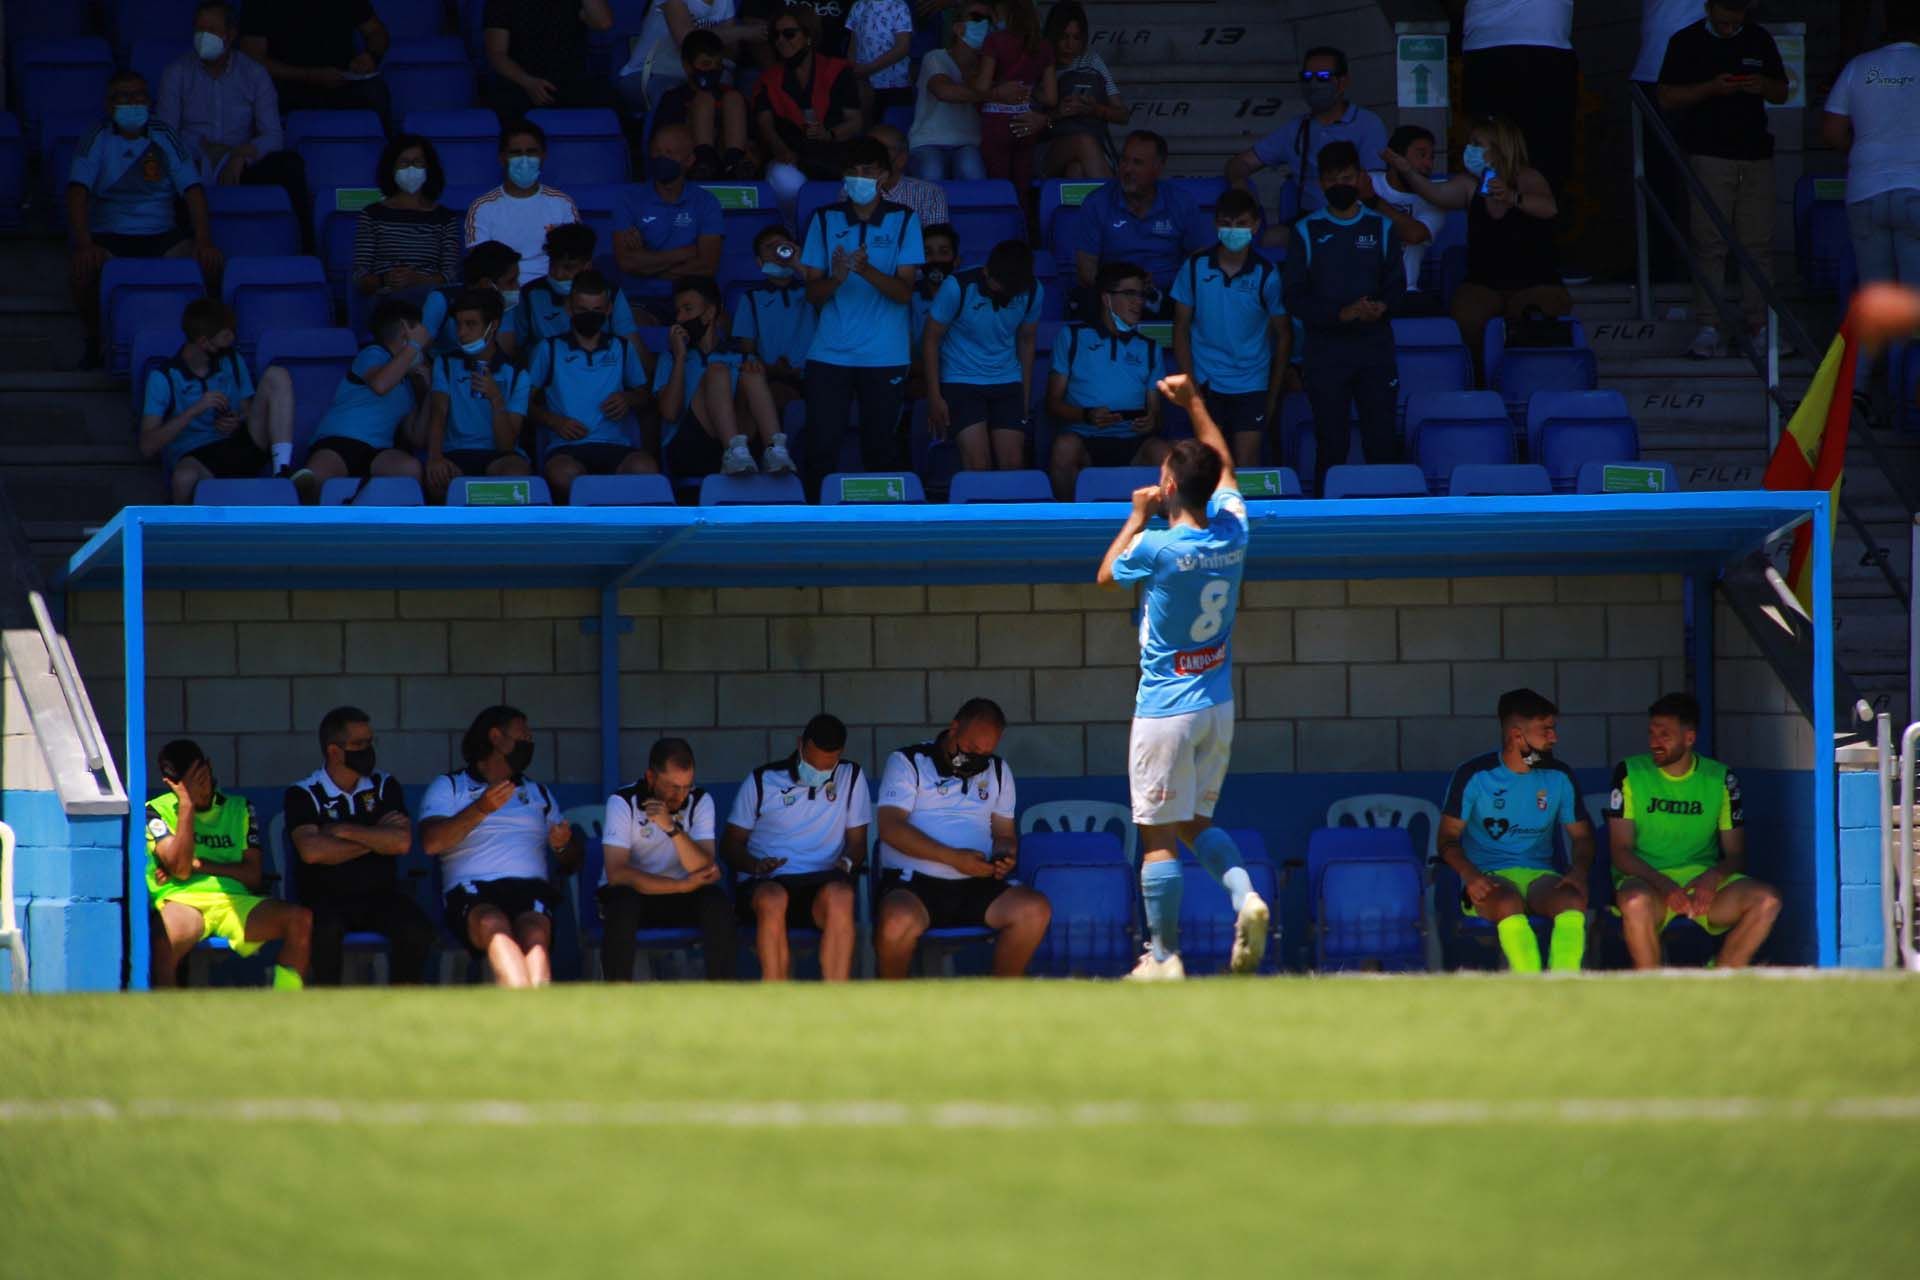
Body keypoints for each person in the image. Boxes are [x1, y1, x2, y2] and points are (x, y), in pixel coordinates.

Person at [1095, 376, 1268, 982]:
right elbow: (1224, 470)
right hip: (1217, 704)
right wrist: (1195, 401)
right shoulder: (1234, 530)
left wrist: (1136, 515)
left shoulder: (1159, 545)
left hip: (1166, 708)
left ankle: (1162, 956)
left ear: (1168, 486)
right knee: (1196, 823)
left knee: (1157, 835)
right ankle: (1245, 896)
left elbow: (1107, 572)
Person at [1380, 115, 1569, 381]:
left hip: (1535, 282)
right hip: (1484, 284)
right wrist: (1407, 171)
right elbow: (1436, 194)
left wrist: (1513, 197)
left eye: (1476, 143)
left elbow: (1549, 208)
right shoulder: (1470, 183)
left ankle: (1523, 384)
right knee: (1466, 317)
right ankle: (1478, 382)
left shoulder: (1527, 177)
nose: (1470, 149)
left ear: (1498, 147)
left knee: (1532, 319)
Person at [874, 699, 1052, 978]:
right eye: (970, 749)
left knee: (1034, 910)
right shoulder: (908, 762)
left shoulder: (997, 770)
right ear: (954, 728)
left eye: (985, 752)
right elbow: (890, 828)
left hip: (976, 882)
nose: (975, 758)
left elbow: (1004, 834)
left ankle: (1000, 1004)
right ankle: (892, 1010)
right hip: (914, 884)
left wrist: (1005, 856)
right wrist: (953, 858)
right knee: (896, 922)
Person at [1607, 692, 1782, 970]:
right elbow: (1620, 851)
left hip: (1702, 887)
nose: (1655, 742)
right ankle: (1651, 989)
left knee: (1767, 901)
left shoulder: (1721, 778)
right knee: (1635, 903)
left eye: (1664, 735)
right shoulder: (1630, 772)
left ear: (1689, 738)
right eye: (1651, 733)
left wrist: (1711, 879)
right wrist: (1664, 885)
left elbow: (1736, 854)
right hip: (1648, 882)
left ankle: (1720, 979)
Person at [1658, 0, 1788, 359]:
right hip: (1708, 153)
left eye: (1737, 22)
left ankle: (1760, 326)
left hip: (1756, 154)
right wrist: (1711, 88)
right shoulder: (1686, 42)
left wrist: (1761, 84)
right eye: (1724, 22)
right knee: (1709, 243)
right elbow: (1666, 97)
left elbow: (1783, 91)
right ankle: (1708, 326)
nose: (1730, 29)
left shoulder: (1760, 39)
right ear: (1709, 7)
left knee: (1757, 244)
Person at [1436, 689, 1595, 973]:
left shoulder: (1558, 775)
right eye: (1546, 730)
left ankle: (1565, 984)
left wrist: (1579, 870)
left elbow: (1582, 836)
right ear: (1517, 736)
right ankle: (1529, 983)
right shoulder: (1474, 775)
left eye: (1553, 729)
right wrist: (1470, 875)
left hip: (1540, 877)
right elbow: (1447, 838)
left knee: (1572, 900)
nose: (1554, 738)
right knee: (1508, 902)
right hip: (1488, 876)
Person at [421, 706, 581, 988]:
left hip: (529, 888)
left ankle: (537, 1008)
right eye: (523, 735)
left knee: (535, 933)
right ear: (496, 737)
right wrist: (481, 809)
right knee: (493, 925)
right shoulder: (449, 787)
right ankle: (521, 1000)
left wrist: (562, 845)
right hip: (471, 890)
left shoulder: (538, 793)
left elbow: (571, 862)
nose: (529, 742)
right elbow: (432, 842)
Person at [798, 136, 925, 489]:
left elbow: (903, 293)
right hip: (830, 352)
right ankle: (814, 527)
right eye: (852, 171)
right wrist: (837, 279)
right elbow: (812, 293)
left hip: (885, 354)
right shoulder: (823, 219)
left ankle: (884, 531)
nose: (859, 177)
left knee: (881, 448)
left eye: (867, 170)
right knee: (821, 447)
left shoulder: (904, 220)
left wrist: (866, 271)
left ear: (884, 175)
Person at [68, 73, 221, 358]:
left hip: (162, 236)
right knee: (83, 269)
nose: (131, 102)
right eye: (123, 97)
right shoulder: (97, 136)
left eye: (138, 95)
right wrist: (84, 244)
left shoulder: (164, 134)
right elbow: (77, 192)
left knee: (209, 262)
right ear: (109, 104)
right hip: (110, 237)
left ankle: (204, 347)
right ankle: (95, 343)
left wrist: (204, 240)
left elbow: (193, 190)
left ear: (149, 101)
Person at [1282, 141, 1406, 493]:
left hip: (1375, 350)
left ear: (1360, 178)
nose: (1340, 185)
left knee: (1381, 440)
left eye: (1348, 177)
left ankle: (1386, 517)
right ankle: (1326, 520)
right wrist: (1341, 313)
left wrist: (1382, 307)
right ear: (1321, 183)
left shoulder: (1382, 227)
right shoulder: (1305, 230)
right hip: (1326, 354)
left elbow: (1397, 287)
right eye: (1333, 179)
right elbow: (1294, 297)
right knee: (1331, 443)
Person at [284, 705, 436, 986]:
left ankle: (402, 1008)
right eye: (358, 744)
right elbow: (312, 851)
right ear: (333, 751)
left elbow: (401, 843)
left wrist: (344, 831)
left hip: (380, 894)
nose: (367, 749)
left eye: (370, 742)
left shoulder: (384, 784)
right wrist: (377, 838)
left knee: (416, 929)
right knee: (324, 931)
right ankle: (331, 1012)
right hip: (325, 898)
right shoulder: (303, 793)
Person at [146, 738, 311, 990]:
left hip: (235, 901)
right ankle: (165, 1017)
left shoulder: (239, 807)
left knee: (299, 919)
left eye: (202, 777)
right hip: (184, 900)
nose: (202, 788)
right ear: (173, 786)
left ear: (209, 767)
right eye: (191, 784)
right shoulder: (155, 811)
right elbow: (180, 870)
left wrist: (201, 865)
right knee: (163, 943)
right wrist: (187, 805)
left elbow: (253, 875)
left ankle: (286, 1002)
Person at [723, 714, 870, 982]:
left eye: (828, 766)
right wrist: (755, 865)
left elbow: (858, 842)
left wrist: (847, 863)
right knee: (772, 898)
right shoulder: (762, 780)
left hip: (822, 883)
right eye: (813, 764)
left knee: (842, 896)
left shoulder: (851, 776)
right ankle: (777, 1000)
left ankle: (837, 1003)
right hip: (768, 882)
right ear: (800, 744)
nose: (819, 772)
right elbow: (730, 845)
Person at [158, 0, 308, 244]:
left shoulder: (254, 74)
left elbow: (273, 136)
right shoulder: (176, 73)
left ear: (230, 34)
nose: (203, 36)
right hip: (192, 166)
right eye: (199, 29)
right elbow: (166, 137)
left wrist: (241, 155)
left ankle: (306, 250)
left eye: (212, 30)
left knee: (290, 165)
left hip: (238, 166)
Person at [597, 737, 737, 982]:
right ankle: (616, 996)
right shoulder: (622, 802)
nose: (680, 796)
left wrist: (671, 828)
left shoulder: (700, 801)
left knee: (717, 903)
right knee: (622, 905)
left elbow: (704, 867)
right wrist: (680, 885)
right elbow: (617, 873)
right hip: (638, 896)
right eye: (673, 787)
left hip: (683, 895)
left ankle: (722, 993)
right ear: (650, 778)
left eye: (686, 786)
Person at [1171, 188, 1289, 468]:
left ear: (1256, 225)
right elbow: (1180, 329)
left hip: (1252, 382)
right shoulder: (1194, 267)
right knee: (1208, 465)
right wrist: (1191, 385)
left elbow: (1284, 335)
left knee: (1247, 464)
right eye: (1226, 223)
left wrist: (1272, 395)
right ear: (1215, 224)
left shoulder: (1268, 274)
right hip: (1206, 380)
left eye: (1241, 224)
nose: (1233, 230)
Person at [141, 299, 297, 501]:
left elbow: (248, 411)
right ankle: (184, 530)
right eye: (225, 335)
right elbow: (147, 446)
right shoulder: (163, 378)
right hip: (197, 456)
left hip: (239, 445)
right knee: (183, 477)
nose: (231, 339)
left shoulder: (232, 360)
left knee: (277, 375)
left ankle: (282, 472)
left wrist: (237, 420)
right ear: (203, 342)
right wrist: (195, 410)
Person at [526, 270, 658, 502]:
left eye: (597, 310)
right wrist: (553, 421)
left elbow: (643, 395)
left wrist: (628, 399)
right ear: (569, 308)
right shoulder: (549, 349)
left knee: (646, 469)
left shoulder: (622, 347)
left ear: (608, 310)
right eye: (582, 310)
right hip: (566, 449)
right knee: (563, 475)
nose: (590, 316)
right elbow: (523, 403)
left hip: (616, 445)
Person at [1824, 7, 1920, 306]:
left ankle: (1876, 354)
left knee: (1875, 299)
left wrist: (1865, 152)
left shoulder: (1858, 66)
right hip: (1916, 188)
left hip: (1865, 190)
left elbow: (1832, 131)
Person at [1047, 259, 1165, 499]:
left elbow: (1156, 412)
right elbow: (1052, 403)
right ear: (1106, 298)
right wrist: (1087, 416)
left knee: (1165, 454)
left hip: (1134, 442)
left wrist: (1151, 420)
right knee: (1063, 448)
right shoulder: (1072, 337)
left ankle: (1161, 528)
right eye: (1130, 293)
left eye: (1142, 295)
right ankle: (1072, 522)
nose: (1138, 302)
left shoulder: (1151, 348)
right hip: (1085, 438)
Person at [1226, 46, 1388, 219]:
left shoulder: (1367, 124)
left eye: (1323, 77)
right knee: (1270, 239)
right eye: (1307, 77)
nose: (1313, 84)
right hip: (1309, 221)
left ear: (1343, 82)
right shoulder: (1296, 128)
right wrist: (1239, 184)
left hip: (1355, 220)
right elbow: (1241, 162)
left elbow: (1375, 186)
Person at [654, 275, 792, 476]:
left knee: (751, 372)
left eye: (688, 309)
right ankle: (734, 451)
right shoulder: (671, 358)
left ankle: (775, 450)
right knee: (717, 370)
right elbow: (669, 414)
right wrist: (681, 358)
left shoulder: (740, 356)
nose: (680, 318)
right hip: (692, 446)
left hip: (746, 446)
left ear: (709, 312)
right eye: (678, 312)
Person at [924, 238, 1042, 472]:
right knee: (977, 464)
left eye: (994, 280)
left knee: (1014, 463)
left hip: (1007, 380)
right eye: (988, 273)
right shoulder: (957, 287)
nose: (987, 277)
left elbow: (1027, 341)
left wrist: (1024, 396)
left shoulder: (1033, 292)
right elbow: (930, 339)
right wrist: (934, 396)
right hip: (961, 379)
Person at [299, 298, 434, 499]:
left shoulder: (407, 382)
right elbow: (380, 384)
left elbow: (416, 437)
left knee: (410, 469)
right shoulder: (373, 354)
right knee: (316, 478)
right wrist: (413, 346)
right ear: (405, 333)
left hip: (378, 452)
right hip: (339, 442)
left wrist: (431, 391)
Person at [1073, 131, 1212, 316]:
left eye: (1137, 163)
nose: (1127, 169)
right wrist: (1124, 287)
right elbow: (1086, 268)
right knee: (1085, 300)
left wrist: (1179, 284)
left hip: (1168, 293)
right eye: (1124, 160)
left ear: (1158, 167)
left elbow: (1200, 257)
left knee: (1205, 299)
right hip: (1115, 296)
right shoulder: (1097, 203)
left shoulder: (1181, 202)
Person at [425, 288, 533, 503]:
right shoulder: (445, 363)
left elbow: (507, 446)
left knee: (516, 474)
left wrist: (496, 399)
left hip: (498, 457)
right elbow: (439, 412)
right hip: (456, 453)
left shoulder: (518, 371)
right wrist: (435, 458)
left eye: (471, 324)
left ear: (493, 325)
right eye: (459, 324)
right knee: (437, 480)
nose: (462, 333)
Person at [754, 4, 865, 209]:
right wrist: (782, 151)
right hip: (789, 155)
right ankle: (791, 234)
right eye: (775, 36)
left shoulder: (837, 71)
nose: (781, 41)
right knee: (787, 182)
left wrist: (829, 134)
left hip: (833, 155)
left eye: (789, 34)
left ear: (809, 36)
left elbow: (854, 121)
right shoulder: (769, 79)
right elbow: (766, 125)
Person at [1461, 0, 1576, 197]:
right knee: (1544, 156)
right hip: (1543, 37)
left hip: (1486, 40)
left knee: (1488, 150)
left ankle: (1495, 215)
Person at [615, 124, 725, 322]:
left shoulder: (706, 202)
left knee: (718, 324)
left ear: (689, 160)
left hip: (693, 298)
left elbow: (707, 266)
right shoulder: (628, 200)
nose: (661, 158)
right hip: (642, 298)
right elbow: (627, 262)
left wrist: (646, 261)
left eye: (669, 153)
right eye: (657, 152)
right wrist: (682, 254)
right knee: (630, 324)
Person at [464, 120, 580, 284]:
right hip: (502, 293)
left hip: (552, 288)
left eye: (531, 152)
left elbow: (575, 258)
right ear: (502, 158)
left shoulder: (563, 203)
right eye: (516, 153)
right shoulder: (482, 207)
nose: (524, 160)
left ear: (543, 155)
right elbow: (482, 266)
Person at [353, 135, 462, 310]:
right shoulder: (372, 215)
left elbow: (450, 275)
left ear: (429, 168)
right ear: (391, 168)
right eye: (404, 163)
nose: (411, 169)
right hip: (387, 301)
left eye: (418, 162)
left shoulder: (445, 218)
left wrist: (418, 280)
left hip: (431, 299)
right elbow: (361, 277)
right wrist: (386, 279)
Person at [237, 0, 391, 122]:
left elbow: (376, 32)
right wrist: (311, 75)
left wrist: (371, 56)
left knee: (375, 92)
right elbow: (253, 59)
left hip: (342, 82)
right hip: (286, 85)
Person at [510, 223, 642, 362]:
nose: (558, 274)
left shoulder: (610, 293)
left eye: (568, 268)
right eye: (552, 265)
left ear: (587, 265)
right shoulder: (530, 294)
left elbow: (633, 350)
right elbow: (516, 349)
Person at [731, 224, 817, 416]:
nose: (778, 252)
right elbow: (747, 349)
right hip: (770, 376)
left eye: (782, 246)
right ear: (760, 262)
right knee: (776, 394)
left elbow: (824, 298)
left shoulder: (811, 291)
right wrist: (773, 370)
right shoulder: (752, 298)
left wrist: (798, 263)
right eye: (770, 248)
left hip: (814, 374)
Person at [650, 29, 757, 180]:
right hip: (689, 167)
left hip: (730, 167)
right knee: (704, 99)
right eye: (706, 64)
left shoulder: (733, 96)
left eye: (718, 65)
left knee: (733, 98)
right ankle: (704, 162)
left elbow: (753, 142)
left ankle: (733, 163)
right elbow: (660, 145)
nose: (713, 70)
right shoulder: (674, 98)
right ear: (687, 66)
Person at [482, 0, 615, 119]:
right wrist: (528, 82)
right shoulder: (502, 3)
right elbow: (497, 54)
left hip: (570, 82)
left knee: (608, 103)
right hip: (522, 83)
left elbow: (603, 22)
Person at [618, 0, 755, 115]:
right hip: (648, 74)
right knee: (672, 96)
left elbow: (730, 52)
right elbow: (687, 41)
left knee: (731, 92)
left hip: (699, 72)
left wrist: (734, 35)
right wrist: (739, 32)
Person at [972, 0, 1053, 192]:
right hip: (1026, 123)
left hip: (996, 124)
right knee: (1022, 189)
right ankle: (1023, 222)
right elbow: (1051, 98)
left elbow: (981, 88)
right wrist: (1027, 89)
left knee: (998, 190)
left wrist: (994, 86)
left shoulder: (994, 40)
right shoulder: (1044, 46)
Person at [1040, 1, 1125, 180]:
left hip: (1090, 150)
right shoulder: (1038, 64)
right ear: (1052, 36)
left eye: (1076, 38)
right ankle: (1114, 204)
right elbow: (1026, 125)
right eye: (1063, 37)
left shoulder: (1091, 61)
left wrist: (1095, 110)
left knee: (1076, 169)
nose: (1069, 45)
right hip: (1046, 150)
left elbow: (1123, 115)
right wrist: (1057, 114)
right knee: (1082, 141)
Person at [907, 4, 991, 181]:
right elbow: (943, 91)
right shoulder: (935, 57)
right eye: (976, 18)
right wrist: (995, 93)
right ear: (957, 27)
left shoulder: (989, 65)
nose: (984, 24)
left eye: (988, 20)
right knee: (932, 170)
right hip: (928, 142)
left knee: (971, 170)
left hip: (969, 143)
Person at [1368, 125, 1447, 301]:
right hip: (1358, 291)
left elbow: (1415, 235)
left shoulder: (1435, 199)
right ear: (1395, 157)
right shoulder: (1367, 181)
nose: (1428, 164)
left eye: (1431, 157)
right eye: (1421, 155)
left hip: (1403, 293)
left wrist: (1373, 201)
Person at [424, 239, 523, 356]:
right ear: (486, 283)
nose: (517, 287)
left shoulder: (505, 307)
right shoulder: (441, 299)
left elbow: (504, 354)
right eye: (511, 282)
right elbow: (418, 352)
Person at [845, 0, 915, 123]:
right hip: (864, 85)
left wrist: (870, 68)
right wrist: (854, 72)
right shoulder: (858, 6)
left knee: (892, 129)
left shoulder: (899, 6)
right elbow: (852, 46)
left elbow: (903, 47)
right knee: (866, 127)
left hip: (895, 84)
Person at [871, 122, 948, 228]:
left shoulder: (929, 194)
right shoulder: (852, 189)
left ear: (902, 158)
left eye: (882, 149)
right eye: (870, 149)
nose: (873, 155)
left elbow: (935, 241)